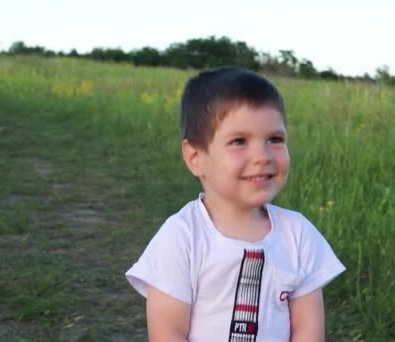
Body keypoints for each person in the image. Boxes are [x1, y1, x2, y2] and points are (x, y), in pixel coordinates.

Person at [126, 67, 346, 341]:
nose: (262, 156)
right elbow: (168, 331)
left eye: (275, 139)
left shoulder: (298, 235)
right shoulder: (182, 236)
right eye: (239, 141)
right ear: (195, 157)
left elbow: (308, 329)